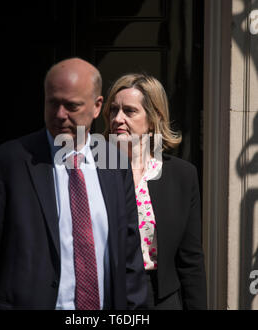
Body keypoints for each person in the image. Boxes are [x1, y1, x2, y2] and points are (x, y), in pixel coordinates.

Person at [0, 58, 147, 310]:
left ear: (96, 106)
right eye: (53, 103)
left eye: (71, 106)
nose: (60, 115)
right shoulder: (7, 163)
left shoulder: (114, 165)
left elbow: (130, 260)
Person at [103, 73, 207, 310]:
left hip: (162, 298)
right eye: (113, 110)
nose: (118, 119)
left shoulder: (182, 175)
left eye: (129, 111)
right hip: (109, 297)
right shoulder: (94, 170)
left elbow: (190, 260)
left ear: (153, 119)